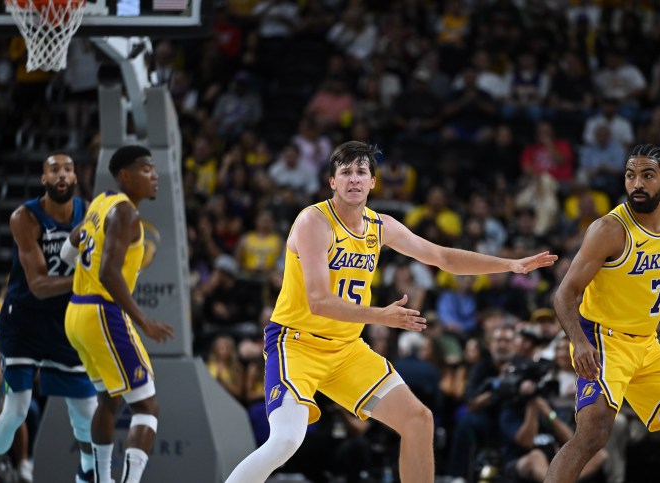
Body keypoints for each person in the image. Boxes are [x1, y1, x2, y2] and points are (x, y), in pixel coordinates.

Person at [224, 141, 557, 483]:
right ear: (332, 182)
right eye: (346, 172)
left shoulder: (380, 226)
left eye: (361, 172)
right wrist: (382, 316)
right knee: (285, 441)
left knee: (418, 419)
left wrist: (510, 264)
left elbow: (441, 257)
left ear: (372, 183)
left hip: (345, 350)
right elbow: (318, 301)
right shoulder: (314, 221)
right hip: (296, 344)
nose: (354, 179)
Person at [544, 144, 660, 483]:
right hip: (603, 341)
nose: (637, 183)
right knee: (593, 434)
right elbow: (563, 293)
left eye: (647, 175)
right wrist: (579, 341)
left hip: (647, 346)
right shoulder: (609, 230)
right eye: (630, 175)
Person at [0, 154, 98, 483]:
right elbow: (39, 286)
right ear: (44, 179)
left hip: (65, 324)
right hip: (24, 321)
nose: (62, 174)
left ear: (75, 178)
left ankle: (87, 473)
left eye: (68, 169)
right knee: (16, 409)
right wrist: (88, 281)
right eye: (54, 170)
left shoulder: (90, 214)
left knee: (86, 415)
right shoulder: (25, 217)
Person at [62, 145, 174, 483]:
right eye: (146, 169)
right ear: (125, 175)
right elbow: (110, 273)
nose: (154, 175)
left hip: (76, 313)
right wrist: (145, 321)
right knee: (146, 407)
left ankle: (101, 480)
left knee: (108, 401)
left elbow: (69, 250)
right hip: (101, 312)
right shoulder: (126, 213)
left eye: (154, 169)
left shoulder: (101, 201)